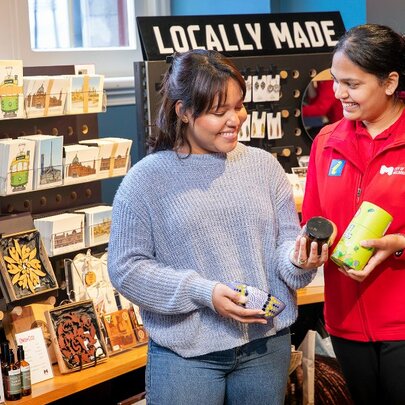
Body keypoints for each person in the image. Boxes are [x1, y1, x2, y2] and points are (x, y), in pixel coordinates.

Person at [108, 49, 327, 405]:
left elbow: (284, 246)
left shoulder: (263, 166)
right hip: (187, 354)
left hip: (265, 345)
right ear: (183, 112)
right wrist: (203, 292)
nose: (235, 119)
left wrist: (300, 260)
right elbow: (126, 269)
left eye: (239, 106)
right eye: (218, 111)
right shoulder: (146, 180)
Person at [301, 24, 405, 405]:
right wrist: (309, 247)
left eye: (353, 84)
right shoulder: (327, 142)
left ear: (390, 82)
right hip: (344, 323)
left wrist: (399, 245)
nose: (339, 93)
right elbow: (313, 220)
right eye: (336, 81)